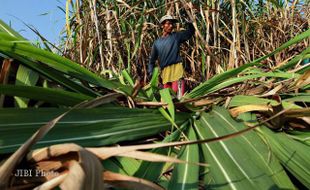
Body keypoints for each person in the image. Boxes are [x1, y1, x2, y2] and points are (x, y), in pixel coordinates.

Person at [148, 15, 195, 98]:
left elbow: (190, 32)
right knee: (168, 98)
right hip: (165, 72)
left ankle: (180, 109)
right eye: (168, 23)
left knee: (178, 96)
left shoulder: (176, 36)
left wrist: (190, 24)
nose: (171, 26)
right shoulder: (157, 43)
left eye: (172, 24)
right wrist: (151, 71)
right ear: (162, 25)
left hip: (176, 69)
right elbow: (152, 60)